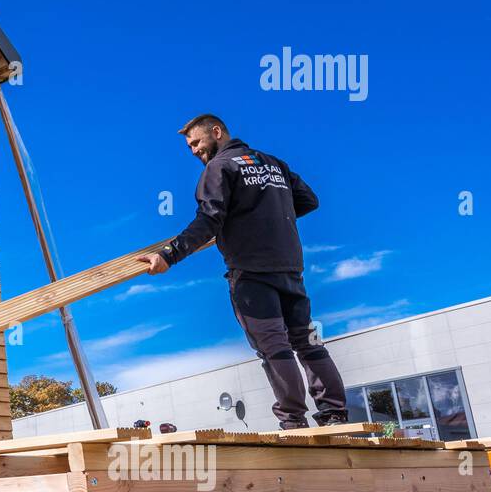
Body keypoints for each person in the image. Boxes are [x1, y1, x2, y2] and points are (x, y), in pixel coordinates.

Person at [137, 114, 348, 430]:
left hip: (251, 273)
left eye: (196, 142)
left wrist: (169, 255)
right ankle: (334, 415)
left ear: (217, 132)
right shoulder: (274, 164)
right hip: (290, 270)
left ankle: (293, 422)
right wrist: (268, 217)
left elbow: (208, 220)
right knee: (308, 342)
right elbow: (309, 201)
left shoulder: (220, 167)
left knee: (274, 347)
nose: (193, 151)